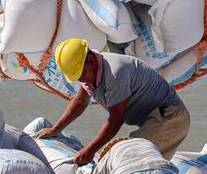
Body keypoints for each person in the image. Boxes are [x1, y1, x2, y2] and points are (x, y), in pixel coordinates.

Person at [38, 38, 190, 165]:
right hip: (154, 120)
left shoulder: (116, 73)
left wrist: (90, 151)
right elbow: (79, 102)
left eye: (81, 73)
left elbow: (116, 120)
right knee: (129, 162)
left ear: (90, 59)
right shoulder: (93, 72)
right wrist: (55, 129)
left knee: (130, 160)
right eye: (76, 77)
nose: (80, 79)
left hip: (170, 118)